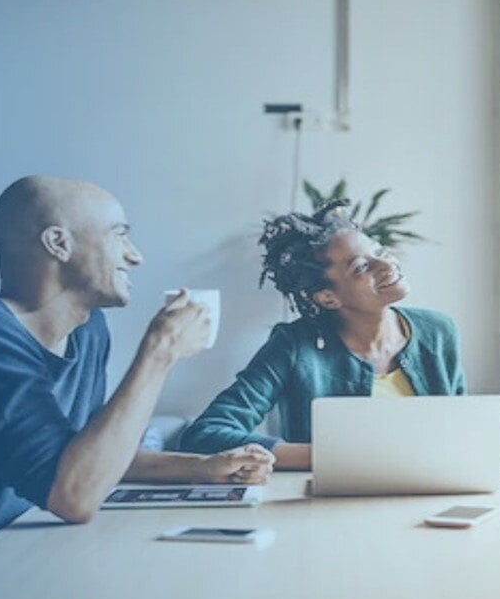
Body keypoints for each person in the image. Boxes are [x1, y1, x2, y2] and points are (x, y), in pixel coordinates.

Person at [0, 176, 274, 591]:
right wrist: (159, 351)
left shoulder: (88, 329)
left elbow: (88, 455)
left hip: (10, 565)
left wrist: (203, 469)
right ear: (58, 244)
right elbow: (74, 496)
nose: (135, 256)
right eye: (120, 235)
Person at [177, 201, 465, 470]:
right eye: (362, 267)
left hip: (430, 495)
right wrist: (327, 457)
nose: (388, 265)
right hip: (327, 505)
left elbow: (465, 429)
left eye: (378, 251)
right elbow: (205, 435)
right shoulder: (293, 346)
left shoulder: (438, 331)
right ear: (328, 298)